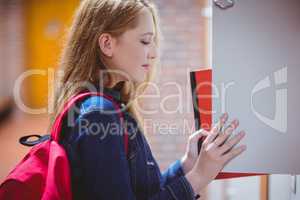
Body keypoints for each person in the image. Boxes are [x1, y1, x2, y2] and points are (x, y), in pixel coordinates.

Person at [48, 0, 247, 199]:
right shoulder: (99, 113)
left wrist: (187, 164)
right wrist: (198, 177)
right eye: (145, 41)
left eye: (153, 42)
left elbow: (141, 192)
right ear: (107, 44)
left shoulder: (107, 106)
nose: (153, 53)